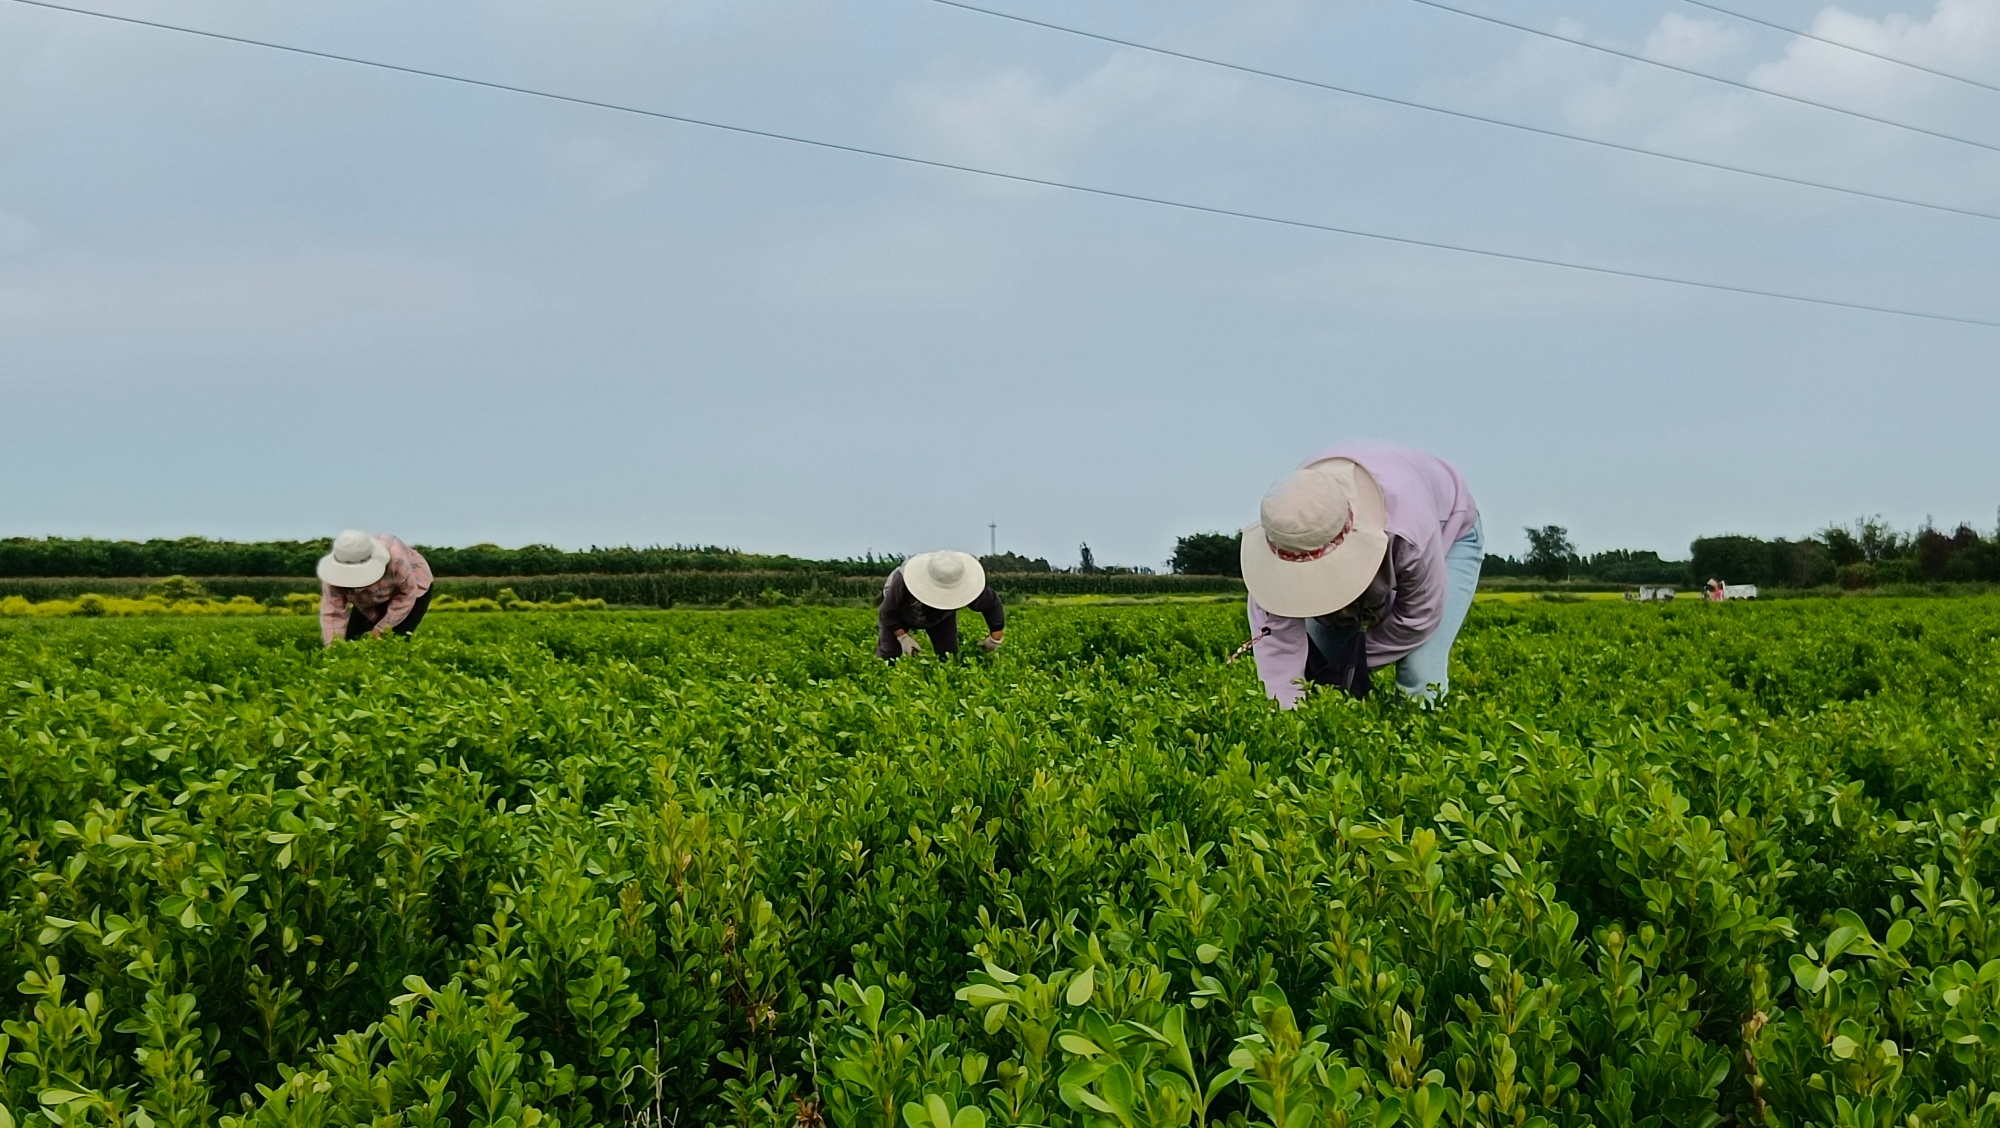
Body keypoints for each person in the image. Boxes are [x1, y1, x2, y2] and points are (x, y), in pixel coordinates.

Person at [1239, 443, 1481, 707]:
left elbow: (1419, 617)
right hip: (1388, 527)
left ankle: (1423, 736)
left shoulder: (1407, 530)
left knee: (1419, 669)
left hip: (1450, 530)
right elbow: (1277, 647)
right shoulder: (1286, 524)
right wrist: (1289, 707)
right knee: (1328, 675)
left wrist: (1356, 659)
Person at [877, 550, 1005, 660]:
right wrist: (903, 637)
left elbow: (992, 605)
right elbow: (888, 613)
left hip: (941, 618)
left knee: (948, 655)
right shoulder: (902, 581)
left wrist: (995, 638)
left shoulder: (970, 584)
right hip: (902, 613)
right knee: (889, 655)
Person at [317, 529, 435, 646]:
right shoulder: (332, 576)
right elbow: (333, 613)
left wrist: (381, 629)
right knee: (353, 639)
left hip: (412, 591)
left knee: (394, 640)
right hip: (367, 598)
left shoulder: (396, 560)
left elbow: (405, 595)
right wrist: (334, 646)